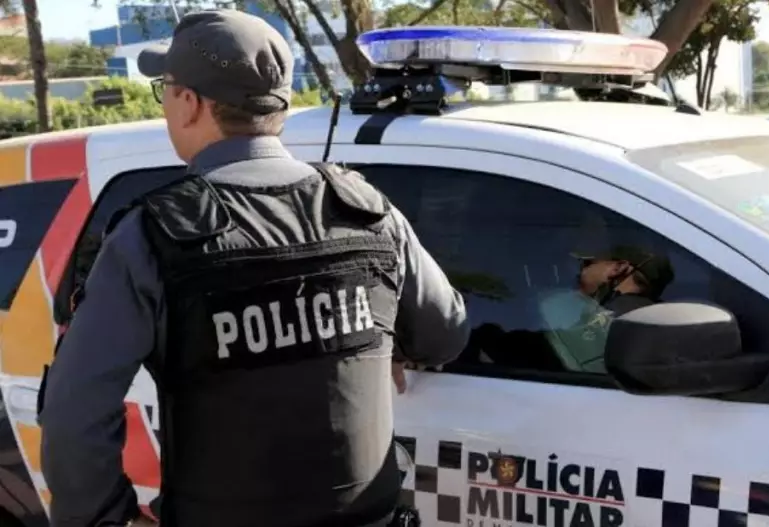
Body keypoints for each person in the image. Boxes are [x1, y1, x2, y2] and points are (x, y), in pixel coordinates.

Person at [38, 9, 469, 527]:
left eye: (165, 88)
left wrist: (105, 519)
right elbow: (444, 334)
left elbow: (73, 416)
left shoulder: (151, 236)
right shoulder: (367, 211)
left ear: (191, 104)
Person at [540, 245, 674, 373]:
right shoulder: (656, 317)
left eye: (587, 264)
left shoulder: (613, 317)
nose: (580, 272)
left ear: (618, 268)